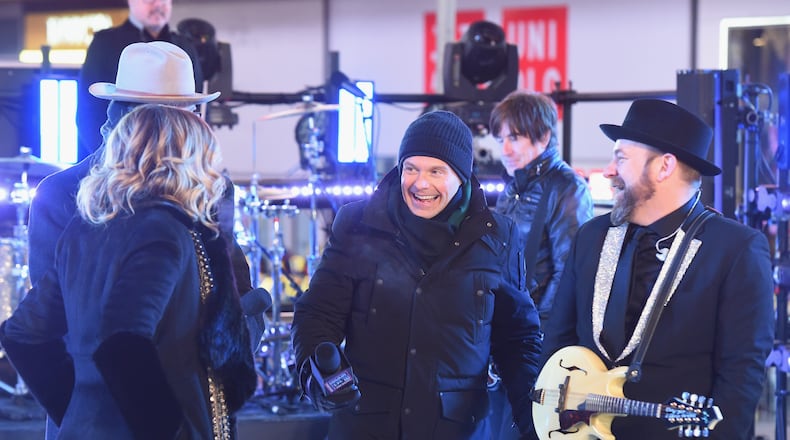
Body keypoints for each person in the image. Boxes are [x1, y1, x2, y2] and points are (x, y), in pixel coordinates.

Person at [27, 41, 268, 439]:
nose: (184, 129)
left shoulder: (212, 189)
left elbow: (235, 297)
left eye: (188, 113)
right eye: (168, 116)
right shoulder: (63, 195)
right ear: (128, 118)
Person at [291, 110, 543, 439]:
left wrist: (536, 418)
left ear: (462, 176)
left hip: (457, 430)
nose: (420, 183)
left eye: (436, 171)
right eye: (411, 168)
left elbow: (518, 341)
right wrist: (318, 376)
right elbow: (318, 313)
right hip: (365, 427)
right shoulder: (357, 225)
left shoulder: (499, 238)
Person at [540, 99, 774, 439]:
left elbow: (741, 377)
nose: (608, 170)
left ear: (664, 167)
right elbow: (557, 344)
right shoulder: (591, 236)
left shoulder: (736, 249)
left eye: (621, 157)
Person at [487, 91, 594, 439]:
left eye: (514, 137)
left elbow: (570, 275)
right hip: (503, 339)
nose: (504, 148)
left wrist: (537, 339)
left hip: (537, 347)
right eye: (501, 138)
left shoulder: (566, 187)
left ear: (543, 136)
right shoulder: (511, 188)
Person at [77, 0, 203, 161]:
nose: (158, 5)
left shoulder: (185, 47)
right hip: (114, 159)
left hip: (177, 162)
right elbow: (89, 111)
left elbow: (195, 107)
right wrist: (104, 162)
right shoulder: (104, 43)